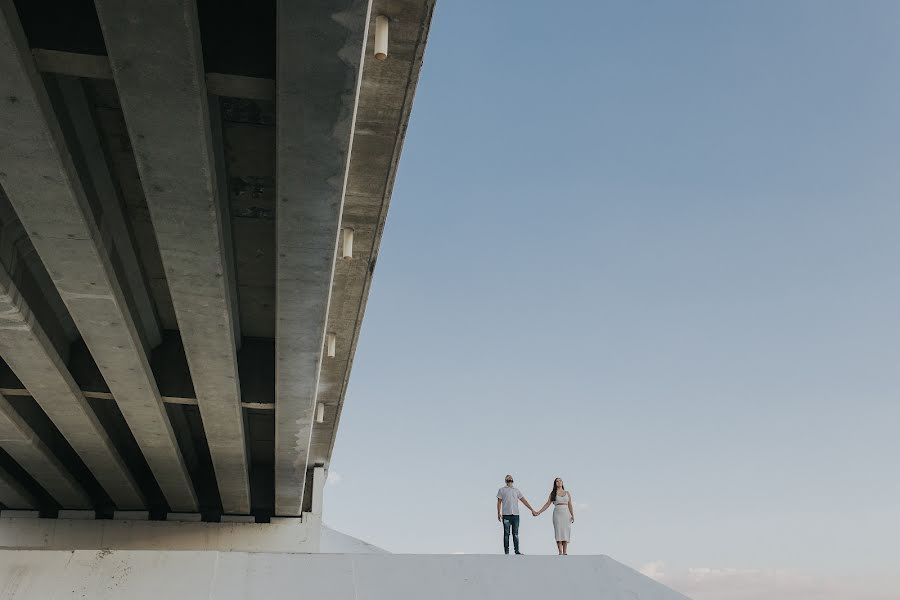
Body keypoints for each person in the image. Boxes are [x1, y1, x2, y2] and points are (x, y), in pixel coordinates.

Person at [496, 474, 538, 555]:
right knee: (506, 534)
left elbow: (524, 500)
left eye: (510, 477)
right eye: (507, 478)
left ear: (513, 480)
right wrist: (498, 513)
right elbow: (499, 502)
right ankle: (506, 552)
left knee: (515, 534)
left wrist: (532, 509)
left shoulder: (516, 490)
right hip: (506, 515)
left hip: (515, 515)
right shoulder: (502, 490)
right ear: (505, 480)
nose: (509, 478)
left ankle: (517, 551)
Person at [535, 477, 575, 555]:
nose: (559, 482)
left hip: (566, 513)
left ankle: (565, 551)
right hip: (557, 513)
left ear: (562, 483)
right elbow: (547, 504)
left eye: (560, 481)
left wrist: (572, 515)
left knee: (566, 532)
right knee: (558, 531)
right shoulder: (553, 493)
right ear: (555, 483)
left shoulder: (567, 493)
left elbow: (570, 505)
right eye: (557, 481)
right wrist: (539, 512)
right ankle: (560, 551)